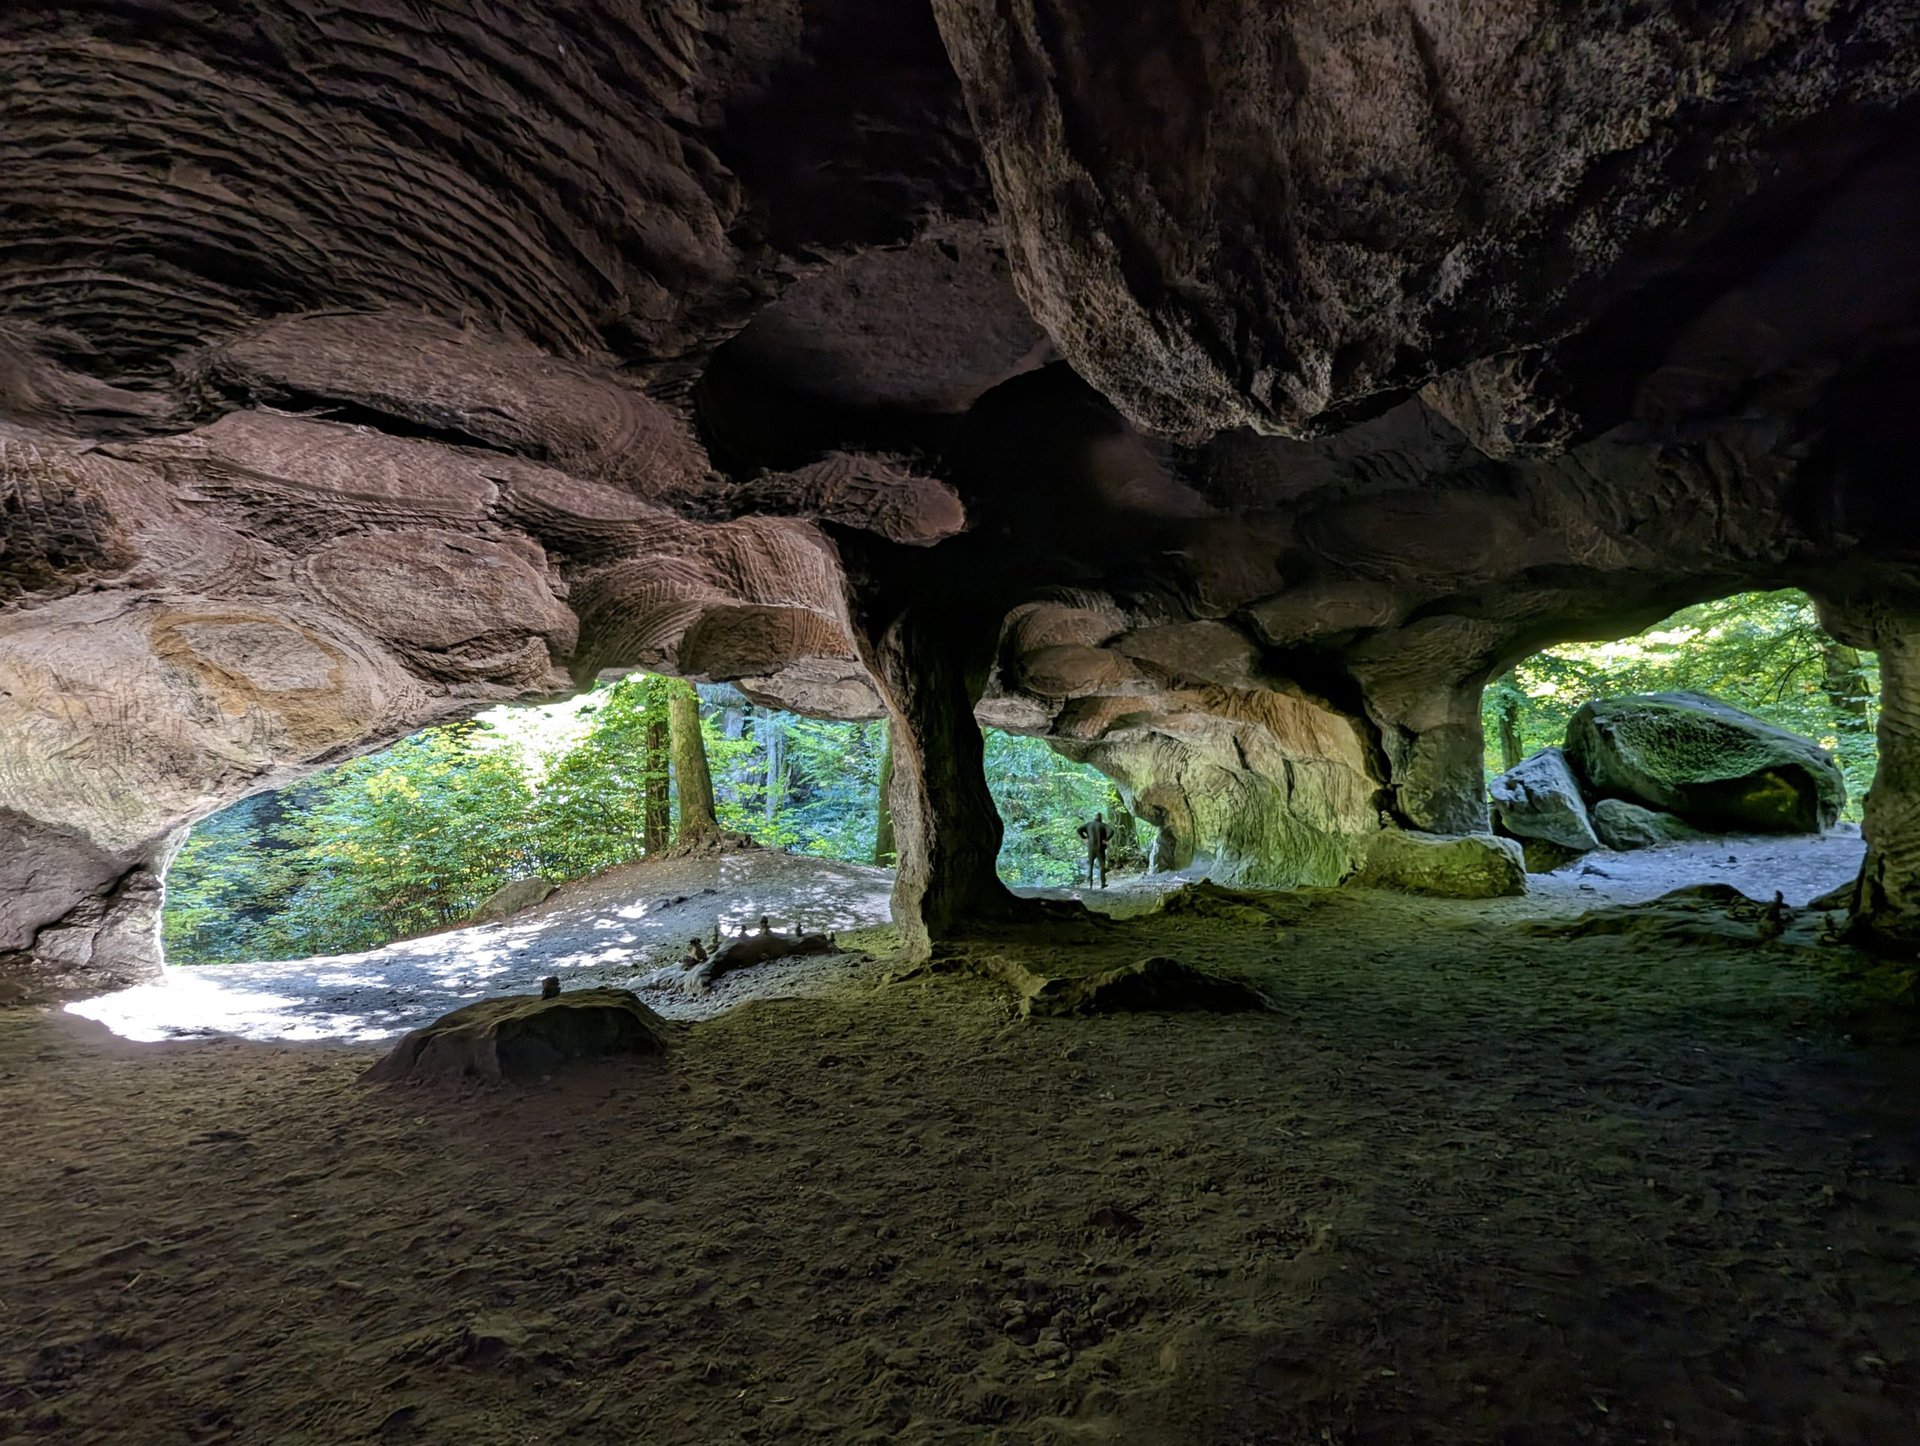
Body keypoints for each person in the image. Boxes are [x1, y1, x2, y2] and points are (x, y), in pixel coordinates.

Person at [1077, 811, 1113, 889]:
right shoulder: (1102, 825)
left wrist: (1085, 838)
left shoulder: (1088, 825)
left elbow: (1079, 830)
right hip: (1100, 848)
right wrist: (1106, 839)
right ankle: (1103, 883)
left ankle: (1090, 884)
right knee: (1102, 866)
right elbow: (1111, 831)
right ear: (1100, 817)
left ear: (1094, 817)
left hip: (1091, 848)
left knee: (1090, 865)